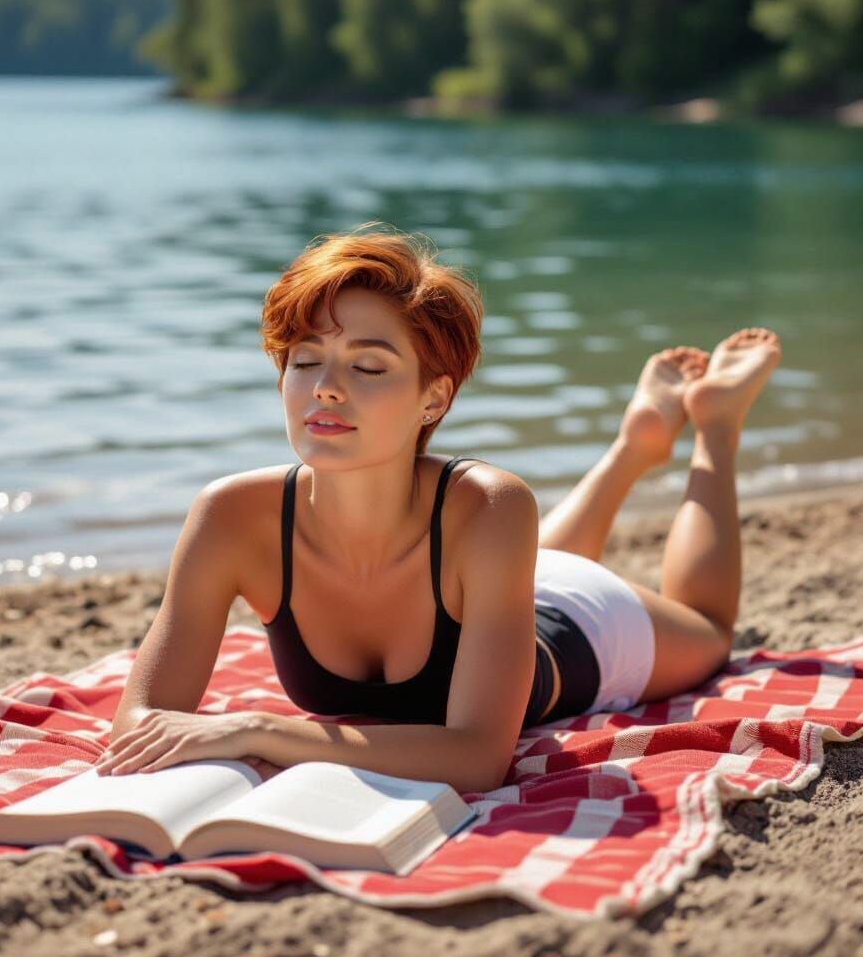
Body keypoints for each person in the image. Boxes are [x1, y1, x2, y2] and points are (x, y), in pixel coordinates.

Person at [95, 227, 783, 794]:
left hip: (580, 626)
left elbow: (478, 758)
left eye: (368, 368)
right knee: (524, 562)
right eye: (305, 362)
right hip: (487, 576)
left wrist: (252, 727)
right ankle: (633, 448)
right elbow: (140, 723)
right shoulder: (231, 517)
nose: (326, 390)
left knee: (712, 634)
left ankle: (713, 425)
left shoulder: (492, 503)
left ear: (434, 399)